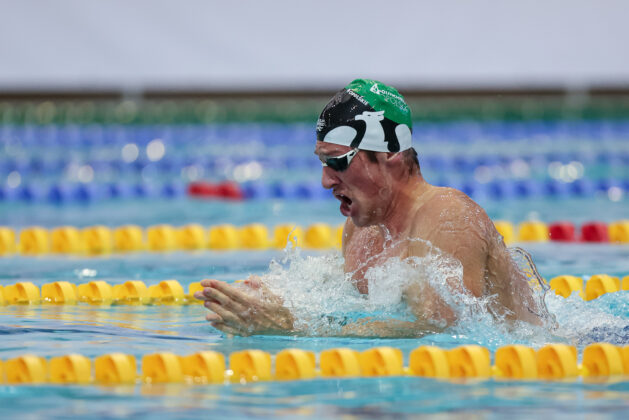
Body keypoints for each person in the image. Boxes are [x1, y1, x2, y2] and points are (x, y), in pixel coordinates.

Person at [195, 79, 550, 337]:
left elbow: (447, 331)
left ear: (389, 154)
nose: (325, 181)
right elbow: (357, 311)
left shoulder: (447, 218)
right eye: (322, 162)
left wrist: (292, 325)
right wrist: (280, 298)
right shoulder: (361, 231)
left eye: (337, 162)